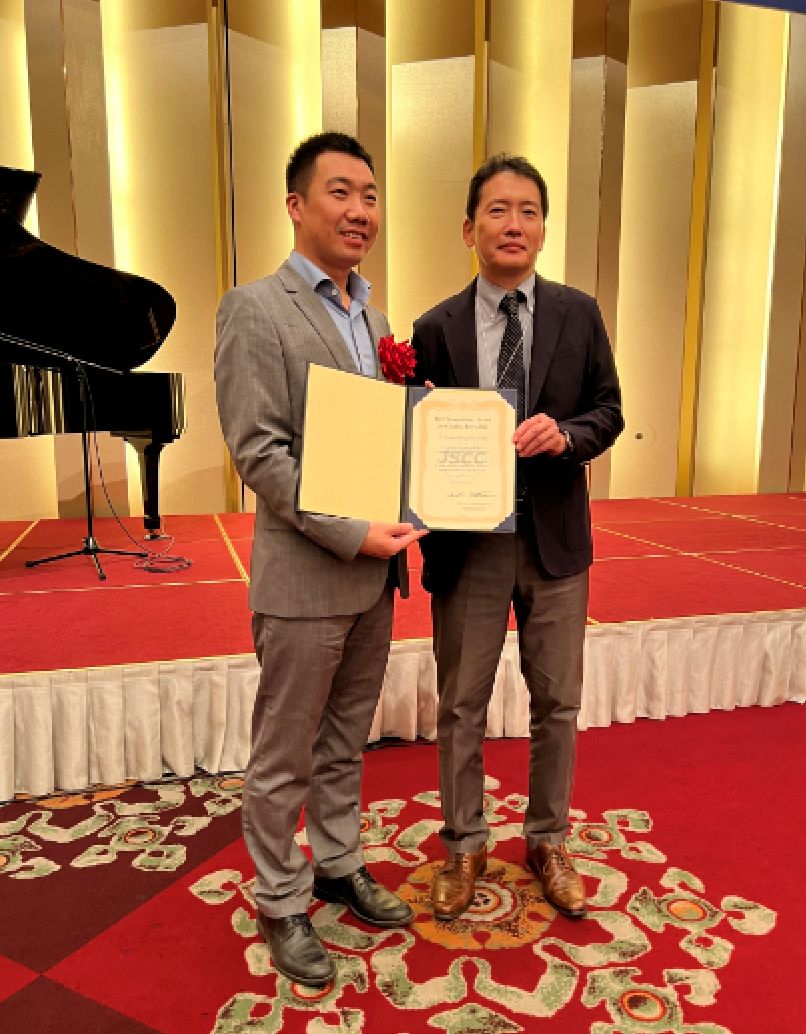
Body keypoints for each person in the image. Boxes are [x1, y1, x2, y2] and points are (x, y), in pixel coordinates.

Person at [215, 132, 425, 987]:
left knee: (346, 738)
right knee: (285, 749)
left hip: (374, 573)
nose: (360, 210)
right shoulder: (254, 308)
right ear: (296, 205)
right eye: (341, 192)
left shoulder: (373, 318)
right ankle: (278, 896)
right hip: (308, 573)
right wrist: (351, 530)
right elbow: (259, 453)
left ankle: (337, 862)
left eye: (370, 195)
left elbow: (379, 439)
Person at [411, 154, 623, 922]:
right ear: (469, 229)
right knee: (460, 704)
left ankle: (548, 839)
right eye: (497, 210)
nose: (514, 224)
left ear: (543, 228)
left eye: (528, 211)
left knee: (557, 702)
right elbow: (415, 434)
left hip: (555, 542)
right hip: (469, 545)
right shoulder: (434, 328)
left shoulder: (578, 313)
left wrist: (565, 436)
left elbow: (609, 410)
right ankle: (464, 844)